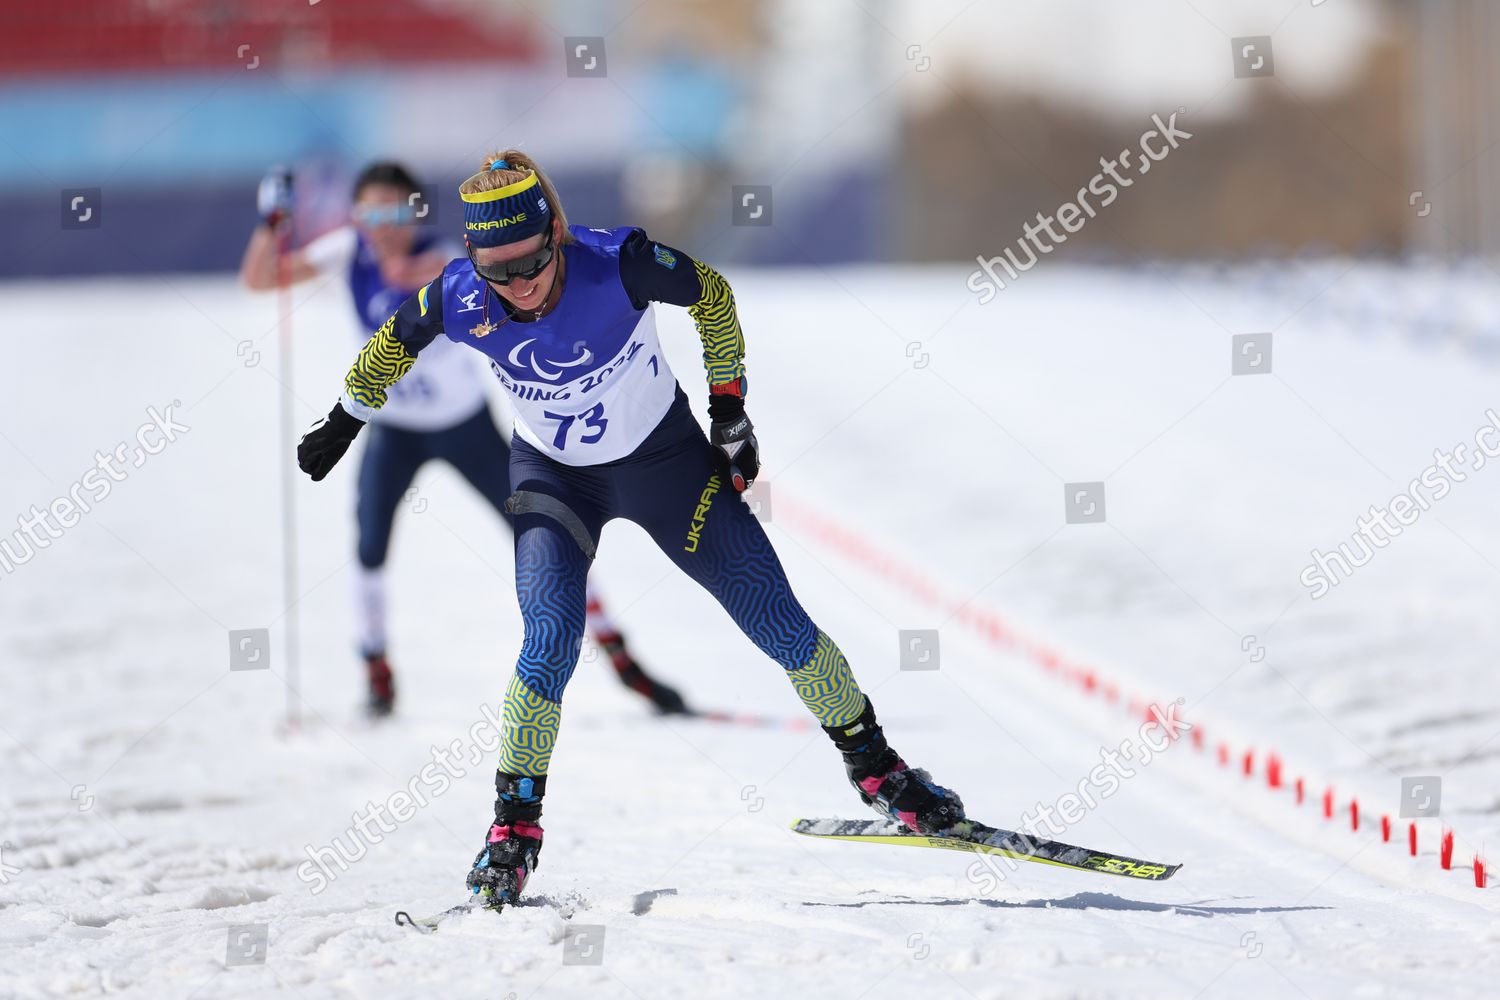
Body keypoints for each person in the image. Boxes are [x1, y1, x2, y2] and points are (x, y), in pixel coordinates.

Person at [296, 150, 965, 907]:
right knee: (549, 638)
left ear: (555, 236)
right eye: (498, 272)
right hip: (555, 481)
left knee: (779, 624)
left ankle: (881, 773)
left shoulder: (618, 261)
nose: (519, 287)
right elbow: (392, 343)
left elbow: (712, 294)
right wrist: (344, 420)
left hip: (667, 469)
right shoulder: (458, 294)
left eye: (532, 263)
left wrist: (730, 407)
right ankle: (512, 831)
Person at [242, 160, 688, 718]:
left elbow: (427, 275)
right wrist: (272, 222)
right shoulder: (343, 252)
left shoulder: (455, 258)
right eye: (370, 214)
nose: (383, 225)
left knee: (544, 534)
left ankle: (621, 658)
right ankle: (376, 670)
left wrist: (411, 273)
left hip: (464, 427)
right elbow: (261, 280)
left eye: (395, 211)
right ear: (355, 217)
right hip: (398, 431)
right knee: (368, 542)